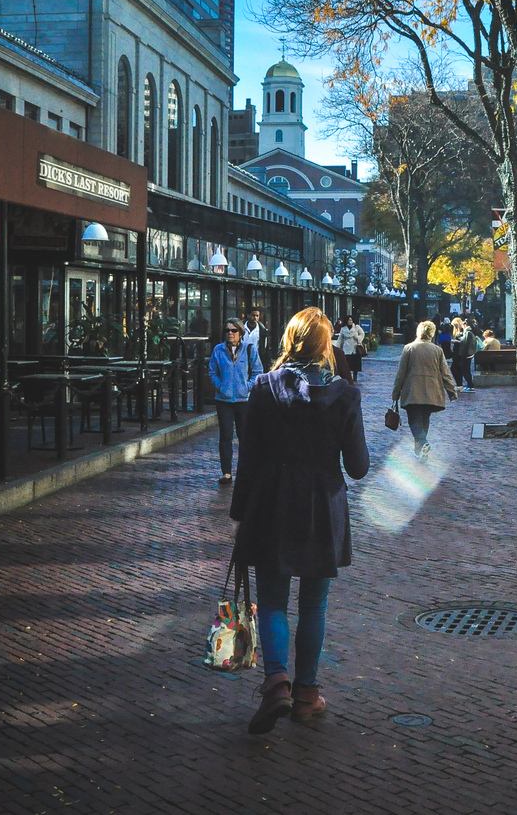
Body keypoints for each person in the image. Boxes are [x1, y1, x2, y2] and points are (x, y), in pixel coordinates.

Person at [230, 308, 369, 734]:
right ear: (326, 346)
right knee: (313, 604)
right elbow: (358, 466)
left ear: (289, 341)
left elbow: (248, 458)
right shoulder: (344, 395)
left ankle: (277, 683)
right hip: (322, 507)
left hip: (272, 502)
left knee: (273, 600)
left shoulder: (263, 387)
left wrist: (240, 513)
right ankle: (307, 693)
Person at [392, 319, 459, 455]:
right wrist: (452, 391)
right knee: (424, 419)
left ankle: (423, 443)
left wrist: (396, 393)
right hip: (431, 391)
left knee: (414, 420)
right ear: (432, 333)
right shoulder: (437, 350)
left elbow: (401, 373)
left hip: (413, 391)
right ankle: (421, 450)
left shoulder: (409, 348)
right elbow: (445, 373)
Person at [208, 319, 262, 485]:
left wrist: (247, 387)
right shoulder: (218, 350)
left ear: (240, 332)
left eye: (233, 330)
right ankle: (226, 473)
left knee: (244, 437)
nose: (230, 333)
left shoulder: (249, 349)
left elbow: (258, 371)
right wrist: (220, 387)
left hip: (243, 400)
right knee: (225, 436)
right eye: (227, 330)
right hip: (223, 400)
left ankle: (245, 471)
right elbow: (212, 371)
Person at [337, 315, 366, 383]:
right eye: (349, 320)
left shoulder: (356, 327)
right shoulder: (343, 329)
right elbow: (340, 339)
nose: (350, 321)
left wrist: (358, 338)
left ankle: (355, 377)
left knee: (355, 364)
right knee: (347, 364)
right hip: (346, 348)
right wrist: (338, 347)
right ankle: (348, 377)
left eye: (351, 320)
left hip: (354, 348)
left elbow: (362, 334)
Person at [451, 318, 476, 392]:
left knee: (463, 370)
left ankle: (468, 386)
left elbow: (465, 342)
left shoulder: (466, 332)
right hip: (461, 353)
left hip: (462, 353)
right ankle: (463, 385)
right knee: (462, 369)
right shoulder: (465, 331)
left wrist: (457, 341)